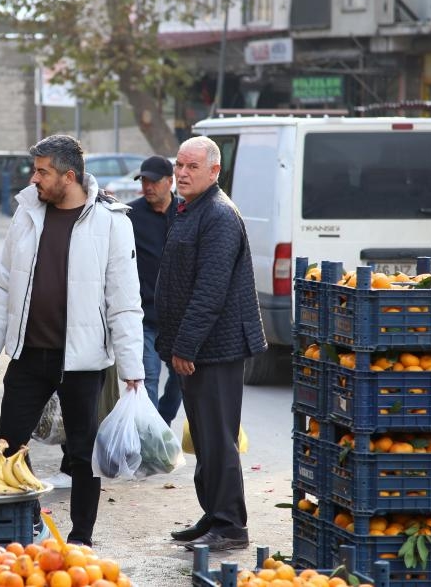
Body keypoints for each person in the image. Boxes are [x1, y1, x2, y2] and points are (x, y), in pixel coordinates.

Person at [0, 134, 144, 547]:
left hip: (83, 362)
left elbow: (124, 301)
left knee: (84, 452)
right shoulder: (26, 214)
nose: (34, 179)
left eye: (42, 171)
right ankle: (26, 520)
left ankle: (81, 538)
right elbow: (3, 285)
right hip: (29, 354)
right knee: (8, 443)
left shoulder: (111, 223)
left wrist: (132, 369)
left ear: (69, 176)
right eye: (35, 170)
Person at [155, 137, 267, 552]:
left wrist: (184, 346)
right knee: (202, 436)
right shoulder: (190, 209)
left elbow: (210, 290)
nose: (182, 173)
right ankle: (213, 514)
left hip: (215, 348)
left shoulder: (218, 214)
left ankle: (231, 525)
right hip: (196, 348)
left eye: (192, 167)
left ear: (214, 172)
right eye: (179, 165)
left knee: (218, 438)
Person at [127, 155, 183, 424]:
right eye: (144, 181)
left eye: (154, 181)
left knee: (182, 376)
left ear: (170, 182)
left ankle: (163, 419)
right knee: (147, 375)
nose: (148, 186)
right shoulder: (130, 216)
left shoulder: (187, 212)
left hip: (179, 317)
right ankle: (151, 436)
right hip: (144, 314)